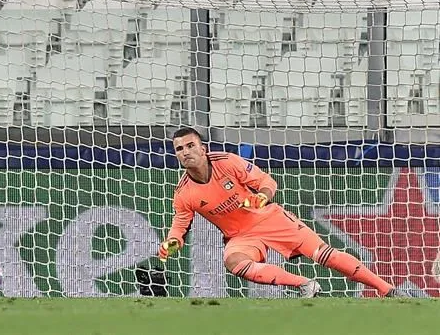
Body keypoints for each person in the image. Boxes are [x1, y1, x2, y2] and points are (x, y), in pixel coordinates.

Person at [159, 127, 399, 298]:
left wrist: (261, 196)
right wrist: (171, 242)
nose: (185, 152)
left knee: (323, 254)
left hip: (269, 218)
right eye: (179, 149)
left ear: (203, 148)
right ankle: (305, 284)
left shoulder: (227, 161)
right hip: (240, 236)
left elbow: (267, 181)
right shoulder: (183, 193)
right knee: (234, 263)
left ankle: (386, 289)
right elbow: (179, 228)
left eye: (190, 145)